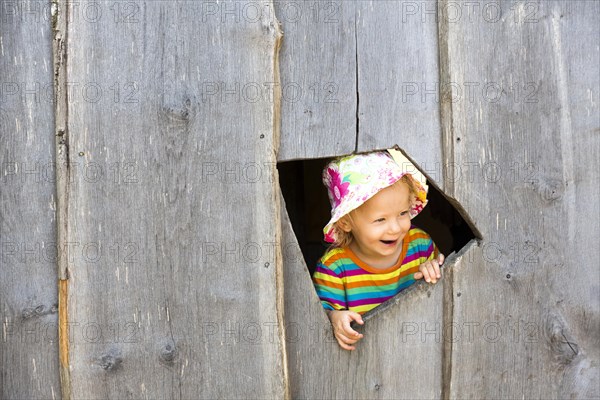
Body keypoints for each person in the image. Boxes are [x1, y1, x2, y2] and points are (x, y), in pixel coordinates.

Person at [312, 150, 444, 350]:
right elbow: (320, 315)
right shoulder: (334, 268)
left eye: (402, 213)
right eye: (380, 219)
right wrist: (334, 317)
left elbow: (445, 281)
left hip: (419, 349)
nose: (395, 228)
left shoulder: (419, 244)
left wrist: (433, 268)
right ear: (346, 222)